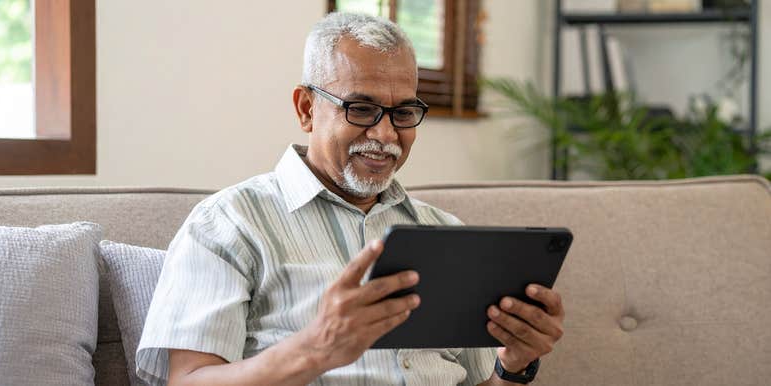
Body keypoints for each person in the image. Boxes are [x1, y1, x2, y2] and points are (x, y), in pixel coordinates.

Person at [136, 12, 564, 386]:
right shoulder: (228, 224)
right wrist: (316, 349)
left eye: (403, 113)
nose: (385, 135)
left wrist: (514, 366)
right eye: (360, 109)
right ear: (306, 109)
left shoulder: (448, 235)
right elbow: (188, 380)